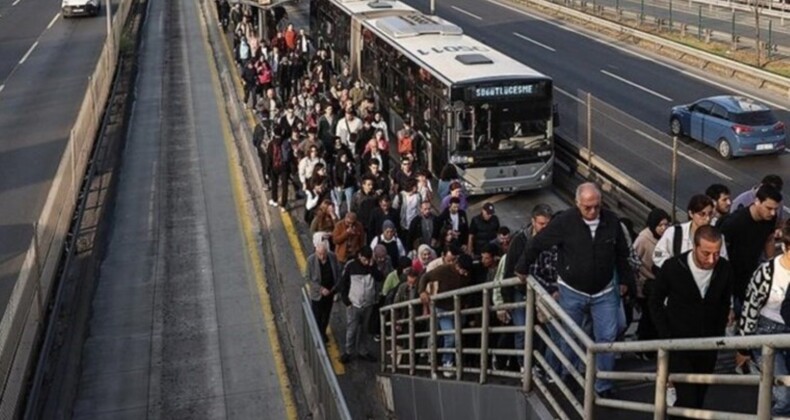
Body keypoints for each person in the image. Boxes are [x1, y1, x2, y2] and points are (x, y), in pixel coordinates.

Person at [515, 183, 635, 397]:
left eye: (596, 207)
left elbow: (621, 253)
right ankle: (567, 377)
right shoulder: (565, 222)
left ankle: (603, 385)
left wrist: (625, 280)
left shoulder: (611, 221)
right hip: (572, 290)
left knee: (606, 338)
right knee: (569, 336)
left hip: (604, 291)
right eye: (587, 207)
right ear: (577, 204)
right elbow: (537, 243)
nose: (592, 212)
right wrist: (522, 268)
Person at [649, 226, 734, 414]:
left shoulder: (725, 268)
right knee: (688, 398)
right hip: (678, 344)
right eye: (706, 253)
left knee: (699, 397)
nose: (712, 260)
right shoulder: (673, 266)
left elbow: (724, 302)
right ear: (694, 247)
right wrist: (666, 336)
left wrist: (717, 336)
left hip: (708, 346)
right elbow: (654, 302)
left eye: (716, 254)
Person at [739, 219, 790, 415]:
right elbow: (750, 308)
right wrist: (744, 346)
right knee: (784, 394)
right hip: (767, 331)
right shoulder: (767, 271)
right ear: (785, 247)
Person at [494, 204, 553, 370]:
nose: (545, 227)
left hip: (544, 291)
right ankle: (523, 366)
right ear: (533, 222)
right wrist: (506, 302)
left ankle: (537, 364)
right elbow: (508, 271)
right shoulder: (519, 241)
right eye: (542, 224)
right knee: (522, 329)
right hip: (520, 291)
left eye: (548, 224)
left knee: (542, 330)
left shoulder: (553, 239)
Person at [720, 185, 782, 319]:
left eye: (775, 209)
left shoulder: (770, 219)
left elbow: (769, 239)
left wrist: (771, 264)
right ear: (757, 201)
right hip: (731, 276)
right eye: (769, 208)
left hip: (751, 273)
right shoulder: (735, 222)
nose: (772, 213)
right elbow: (721, 248)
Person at [419, 254, 474, 376]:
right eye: (463, 271)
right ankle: (447, 362)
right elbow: (425, 277)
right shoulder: (444, 270)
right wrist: (422, 291)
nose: (464, 274)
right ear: (457, 265)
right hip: (442, 307)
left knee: (448, 335)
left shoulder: (467, 274)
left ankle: (440, 359)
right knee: (450, 335)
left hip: (458, 308)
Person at [653, 194, 728, 270]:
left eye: (710, 214)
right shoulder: (674, 232)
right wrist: (674, 269)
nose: (707, 219)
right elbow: (658, 254)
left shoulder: (717, 237)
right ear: (691, 214)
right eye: (702, 214)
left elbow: (723, 262)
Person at [632, 208, 670, 356]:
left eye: (666, 224)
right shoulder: (643, 240)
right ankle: (644, 346)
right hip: (645, 283)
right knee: (649, 314)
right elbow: (634, 260)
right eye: (660, 225)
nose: (664, 228)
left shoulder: (667, 238)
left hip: (660, 282)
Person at [340, 246, 383, 364]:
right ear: (359, 256)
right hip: (354, 304)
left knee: (365, 330)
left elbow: (380, 277)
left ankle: (362, 351)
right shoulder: (350, 266)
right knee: (352, 329)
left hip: (368, 304)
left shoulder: (371, 266)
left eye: (368, 260)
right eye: (364, 260)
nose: (366, 262)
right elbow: (343, 283)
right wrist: (347, 302)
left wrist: (372, 267)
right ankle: (348, 351)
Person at [307, 235, 342, 342]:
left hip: (330, 292)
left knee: (326, 314)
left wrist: (334, 287)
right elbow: (308, 278)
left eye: (323, 254)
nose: (322, 257)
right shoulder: (311, 260)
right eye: (319, 254)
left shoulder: (332, 256)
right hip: (318, 294)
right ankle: (317, 334)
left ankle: (322, 331)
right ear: (316, 252)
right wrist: (321, 289)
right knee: (317, 315)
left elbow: (338, 271)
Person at [393, 178, 421, 243]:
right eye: (416, 185)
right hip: (403, 226)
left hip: (415, 226)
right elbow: (394, 209)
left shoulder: (418, 196)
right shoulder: (400, 196)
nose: (417, 187)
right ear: (412, 187)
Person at [332, 150, 356, 216]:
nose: (344, 158)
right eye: (343, 157)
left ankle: (349, 213)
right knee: (339, 202)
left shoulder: (349, 164)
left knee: (349, 201)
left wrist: (350, 168)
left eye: (345, 157)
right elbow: (335, 176)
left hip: (348, 185)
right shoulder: (336, 166)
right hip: (339, 186)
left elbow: (353, 174)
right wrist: (338, 185)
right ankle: (338, 214)